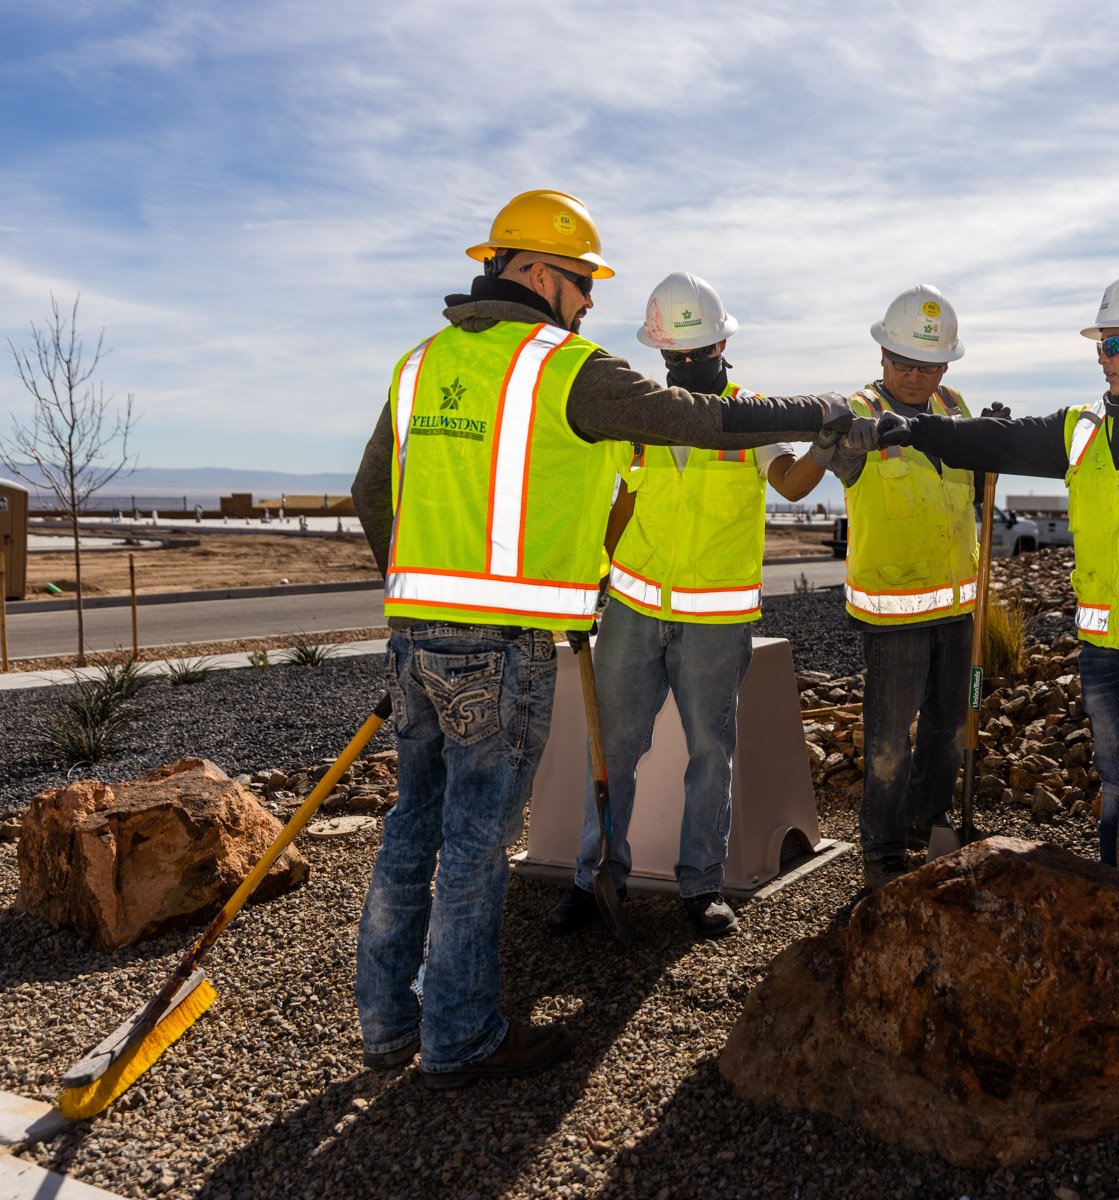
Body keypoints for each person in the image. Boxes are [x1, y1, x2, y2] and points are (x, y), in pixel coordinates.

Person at [349, 190, 852, 1088]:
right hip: (498, 647)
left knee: (410, 828)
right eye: (582, 282)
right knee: (472, 844)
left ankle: (389, 1026)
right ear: (536, 273)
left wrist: (418, 592)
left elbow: (369, 493)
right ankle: (460, 1037)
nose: (587, 301)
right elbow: (700, 421)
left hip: (416, 633)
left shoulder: (418, 363)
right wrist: (823, 409)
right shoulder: (565, 366)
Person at [866, 271, 1119, 918]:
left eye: (1114, 343)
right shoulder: (1084, 426)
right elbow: (996, 440)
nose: (1100, 355)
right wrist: (914, 430)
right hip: (1107, 645)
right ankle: (1117, 899)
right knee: (1117, 781)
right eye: (1100, 343)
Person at [545, 272, 841, 939]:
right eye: (674, 357)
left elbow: (791, 485)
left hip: (716, 618)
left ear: (721, 347)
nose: (683, 366)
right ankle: (595, 879)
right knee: (613, 747)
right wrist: (588, 585)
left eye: (695, 354)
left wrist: (824, 445)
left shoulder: (753, 412)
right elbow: (619, 504)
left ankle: (701, 885)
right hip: (632, 608)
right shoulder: (642, 414)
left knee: (711, 750)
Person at [828, 285, 977, 893]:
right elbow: (832, 463)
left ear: (946, 364)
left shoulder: (956, 406)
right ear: (883, 356)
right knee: (890, 738)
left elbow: (972, 487)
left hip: (959, 603)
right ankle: (882, 851)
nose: (918, 375)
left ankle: (929, 819)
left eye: (931, 363)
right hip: (893, 613)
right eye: (906, 362)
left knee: (949, 724)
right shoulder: (857, 411)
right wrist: (842, 441)